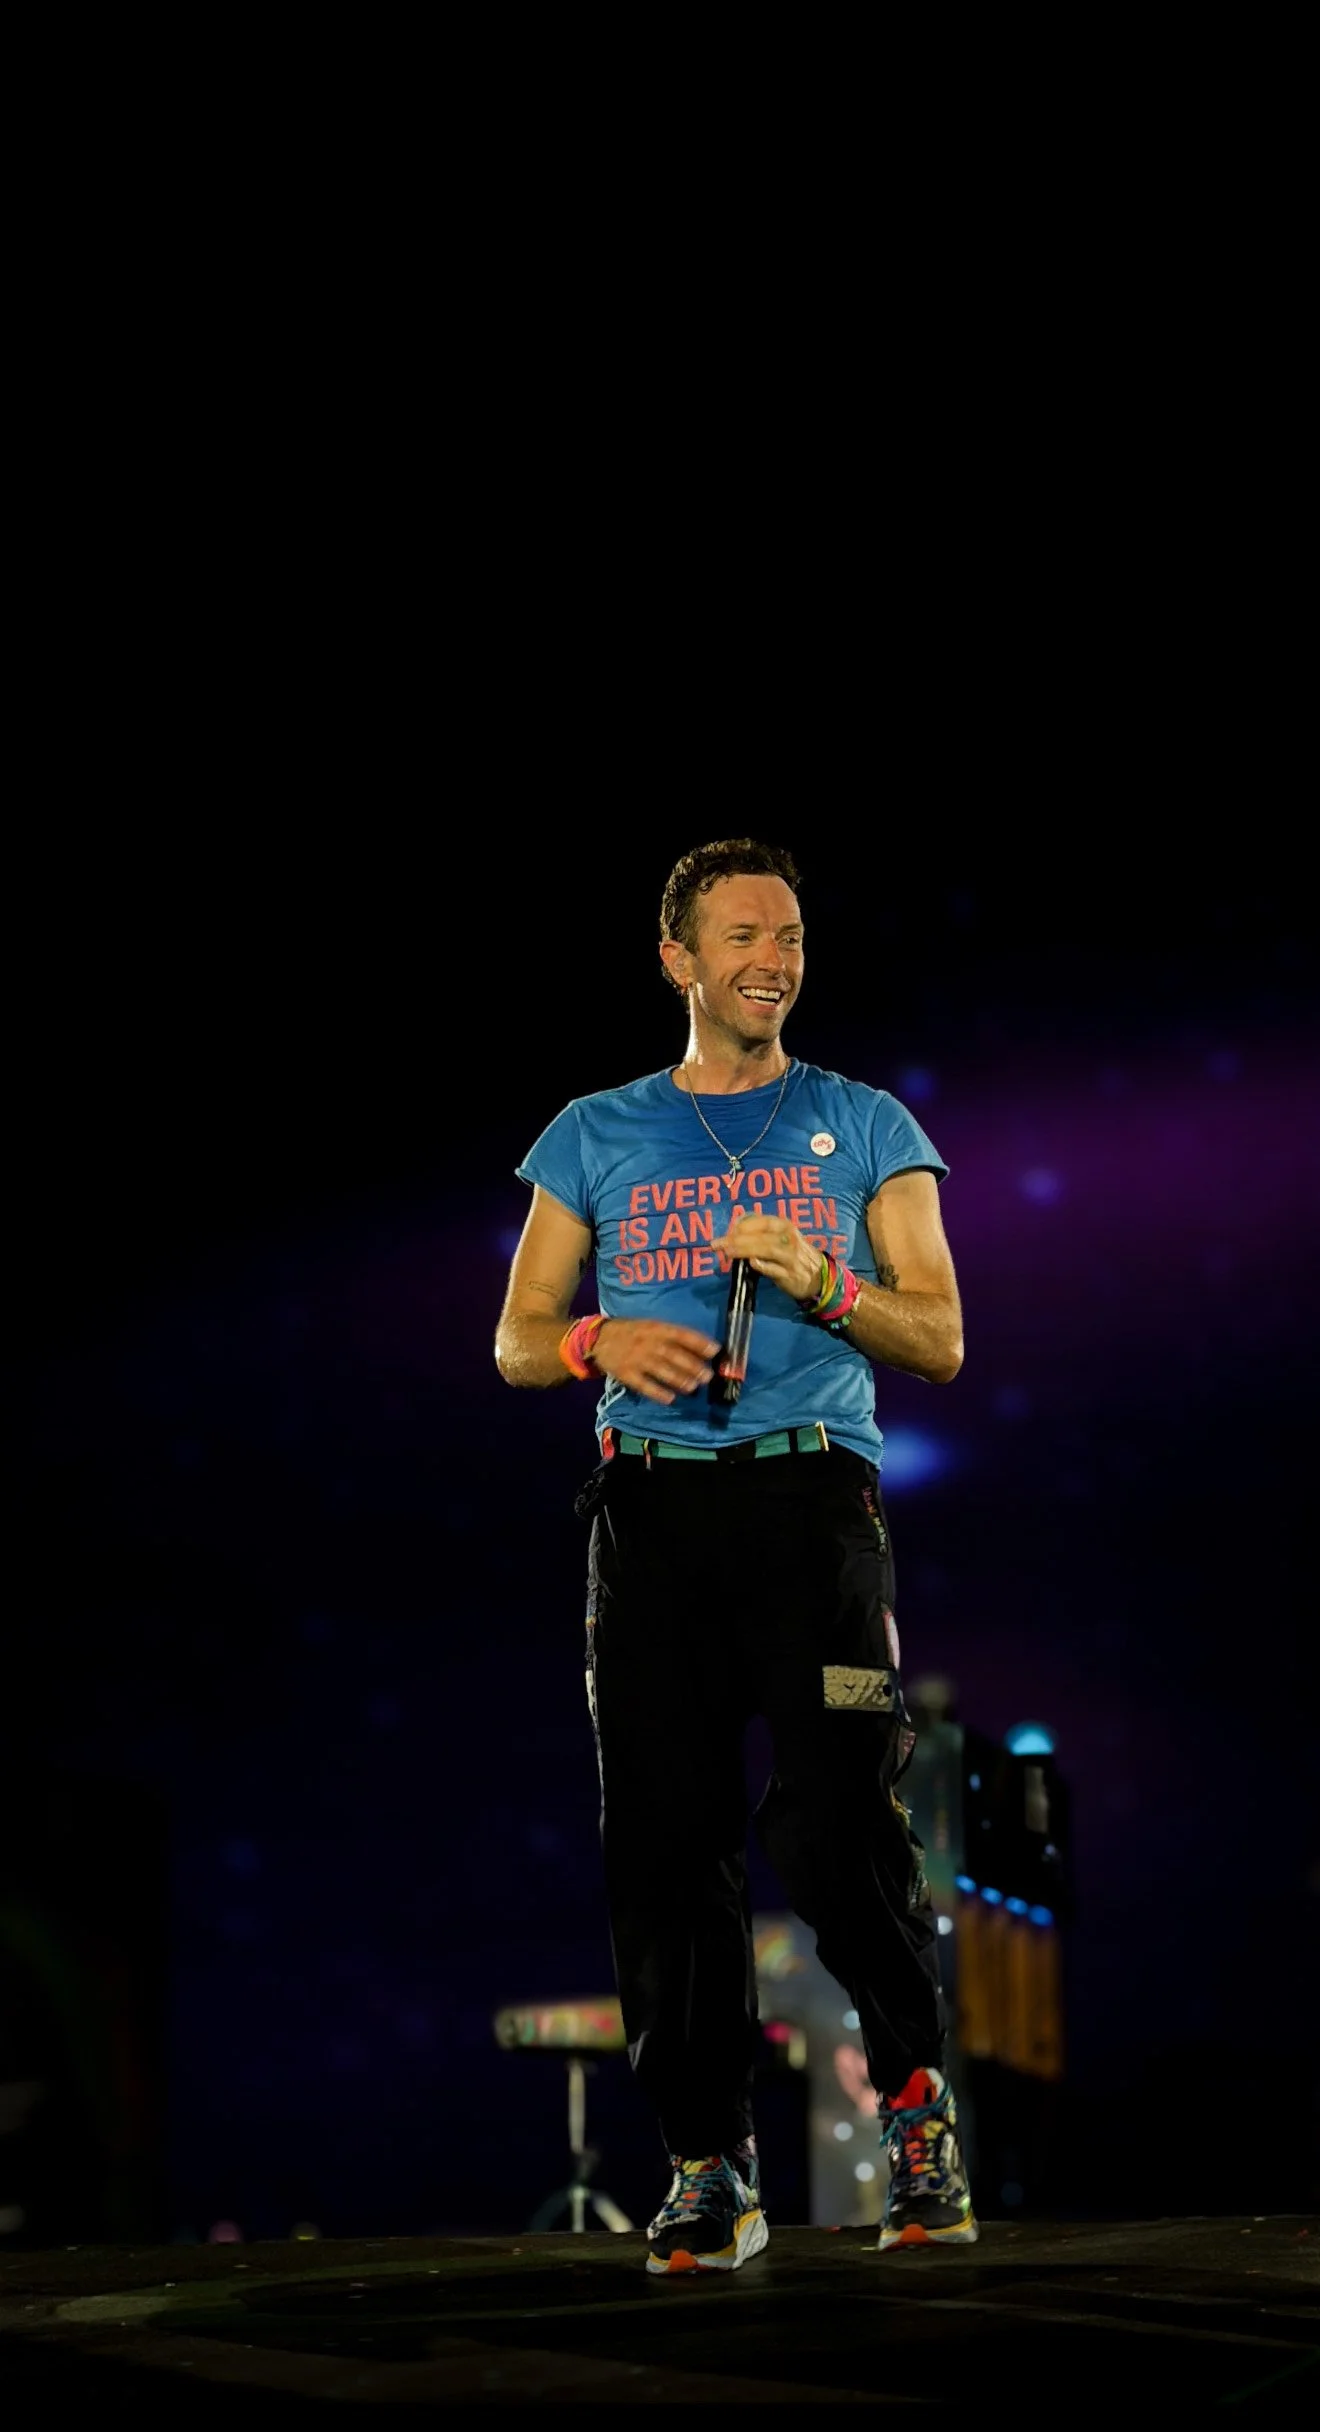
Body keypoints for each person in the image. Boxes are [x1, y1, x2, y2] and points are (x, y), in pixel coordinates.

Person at [494, 838, 977, 2272]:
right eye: (745, 934)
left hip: (812, 1508)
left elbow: (941, 1336)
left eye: (792, 935)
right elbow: (516, 1335)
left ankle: (915, 2107)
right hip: (648, 1516)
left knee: (835, 1824)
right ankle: (711, 2164)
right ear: (679, 957)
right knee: (665, 1847)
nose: (774, 956)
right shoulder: (594, 1131)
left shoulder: (866, 1124)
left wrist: (827, 1279)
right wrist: (595, 1338)